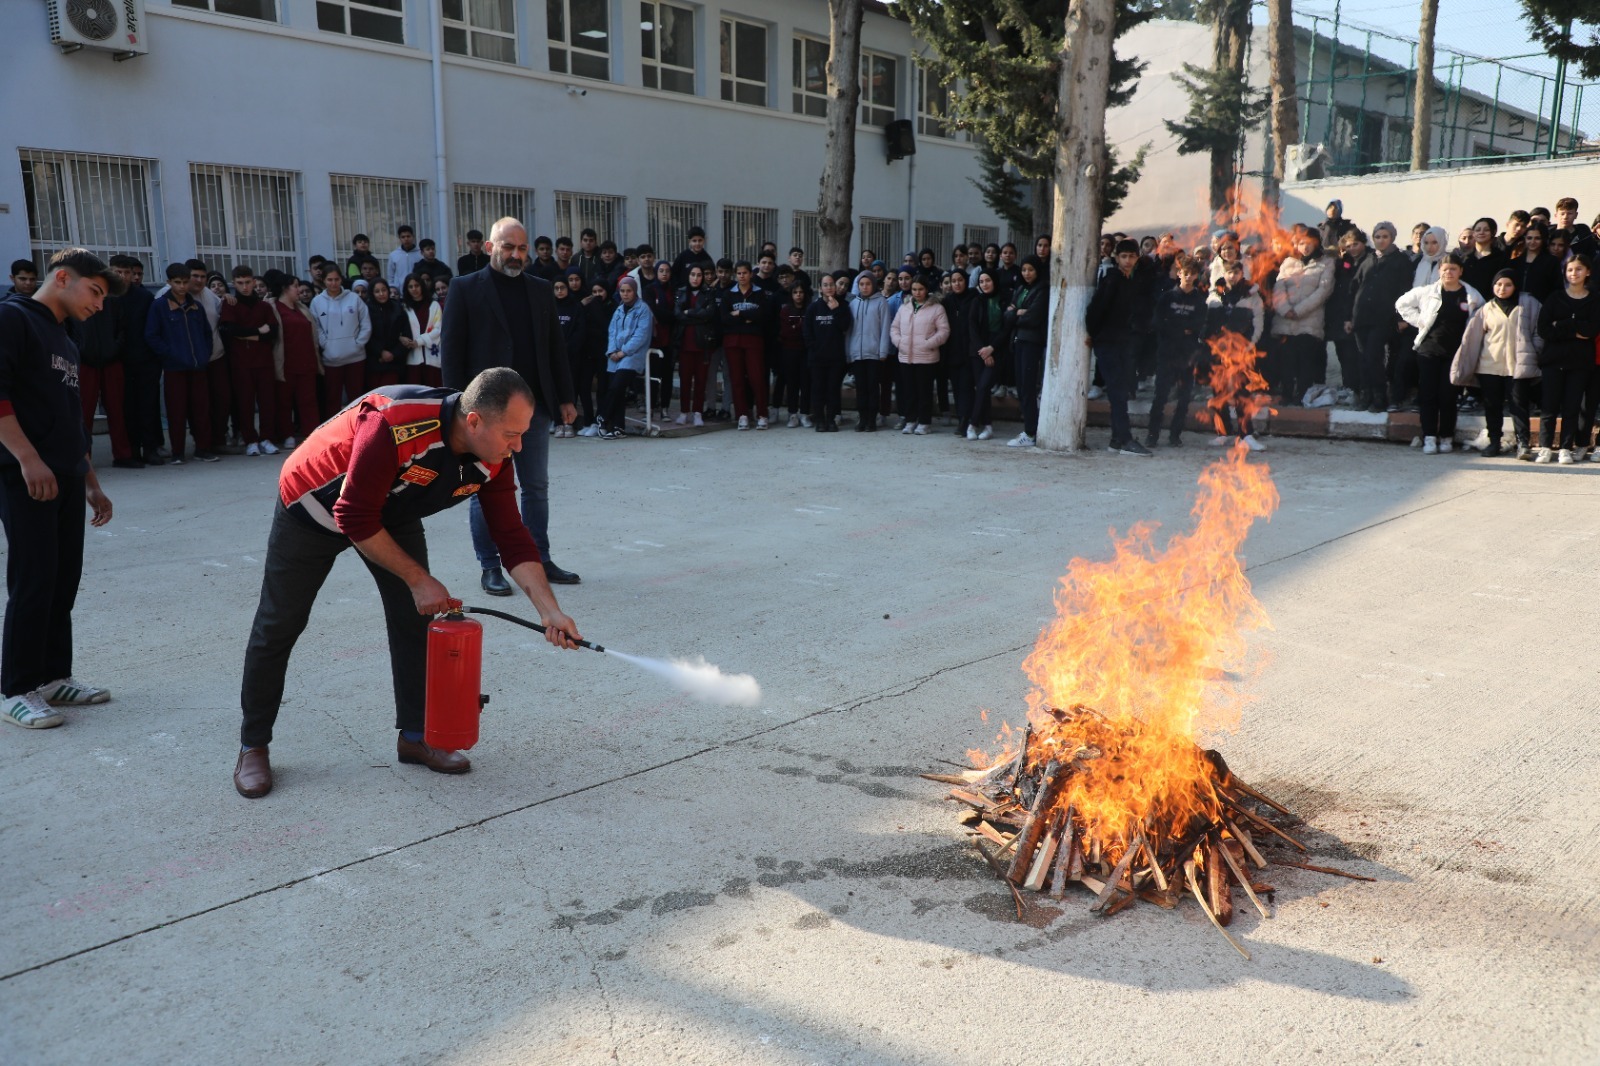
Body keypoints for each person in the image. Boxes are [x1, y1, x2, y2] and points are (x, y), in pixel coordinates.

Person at [231, 369, 583, 798]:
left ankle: (417, 736)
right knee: (279, 623)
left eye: (523, 433)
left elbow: (511, 536)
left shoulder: (493, 455)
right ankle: (254, 744)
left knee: (417, 620)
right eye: (512, 434)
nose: (519, 446)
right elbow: (353, 516)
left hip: (390, 510)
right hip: (314, 506)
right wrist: (419, 579)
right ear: (473, 422)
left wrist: (549, 610)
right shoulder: (395, 424)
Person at [0, 248, 121, 728]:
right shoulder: (13, 318)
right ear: (64, 277)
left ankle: (51, 677)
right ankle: (14, 688)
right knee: (33, 578)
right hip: (25, 473)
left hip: (67, 474)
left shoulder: (66, 339)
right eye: (95, 291)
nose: (99, 304)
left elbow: (72, 419)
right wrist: (28, 459)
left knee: (62, 576)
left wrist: (91, 481)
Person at [440, 217, 580, 592]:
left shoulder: (540, 289)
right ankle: (490, 566)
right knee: (484, 486)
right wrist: (454, 408)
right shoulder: (465, 288)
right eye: (508, 247)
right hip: (484, 416)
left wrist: (566, 397)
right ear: (490, 248)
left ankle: (539, 559)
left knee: (536, 486)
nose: (516, 255)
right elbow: (452, 352)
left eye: (522, 249)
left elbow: (555, 349)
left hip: (534, 410)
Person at [1396, 253, 1483, 455]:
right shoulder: (1428, 292)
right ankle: (1429, 436)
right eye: (1445, 269)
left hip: (1456, 353)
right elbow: (1401, 304)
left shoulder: (1471, 294)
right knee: (1428, 395)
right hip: (1429, 350)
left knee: (1448, 396)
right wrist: (1420, 322)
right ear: (1439, 272)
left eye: (1453, 269)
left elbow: (1481, 314)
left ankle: (1446, 436)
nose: (1449, 273)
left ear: (1460, 270)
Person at [1450, 269, 1542, 459]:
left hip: (1518, 365)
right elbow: (1472, 339)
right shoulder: (1485, 309)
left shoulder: (1529, 305)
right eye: (1498, 284)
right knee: (1492, 406)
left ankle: (1523, 444)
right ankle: (1494, 442)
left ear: (1515, 286)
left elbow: (1539, 331)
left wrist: (1535, 351)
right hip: (1489, 366)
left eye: (1507, 284)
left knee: (1519, 405)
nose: (1502, 288)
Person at [145, 261, 218, 463]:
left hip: (198, 366)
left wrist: (204, 354)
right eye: (177, 282)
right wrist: (170, 355)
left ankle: (203, 449)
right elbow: (152, 336)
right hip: (174, 368)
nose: (182, 286)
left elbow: (206, 334)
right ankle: (177, 452)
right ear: (169, 282)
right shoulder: (159, 306)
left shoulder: (197, 306)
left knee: (201, 409)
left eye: (185, 282)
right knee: (176, 412)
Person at [1086, 240, 1150, 456]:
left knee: (1120, 391)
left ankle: (1117, 439)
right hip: (1108, 342)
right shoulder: (1112, 279)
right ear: (1116, 257)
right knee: (1117, 391)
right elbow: (1096, 308)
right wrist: (1094, 335)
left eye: (1132, 256)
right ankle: (1124, 439)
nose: (1128, 260)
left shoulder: (1131, 280)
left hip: (1122, 342)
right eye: (1124, 256)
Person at [1534, 254, 1600, 464]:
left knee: (1572, 407)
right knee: (1549, 406)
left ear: (1587, 272)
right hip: (1553, 360)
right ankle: (1545, 446)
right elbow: (1544, 329)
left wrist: (1561, 325)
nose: (1574, 273)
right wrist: (1574, 327)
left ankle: (1565, 447)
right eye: (1570, 269)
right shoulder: (1555, 298)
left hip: (1580, 362)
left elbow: (1591, 330)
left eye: (1579, 269)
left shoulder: (1594, 299)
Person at [1349, 222, 1415, 413]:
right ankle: (1366, 395)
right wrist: (1349, 317)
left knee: (1373, 357)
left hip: (1384, 318)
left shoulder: (1401, 261)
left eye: (1385, 236)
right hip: (1361, 317)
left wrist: (1401, 318)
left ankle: (1380, 397)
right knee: (1362, 358)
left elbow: (1405, 291)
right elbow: (1355, 287)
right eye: (1377, 237)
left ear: (1392, 238)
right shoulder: (1368, 259)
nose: (1381, 240)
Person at [1203, 258, 1267, 451]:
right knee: (1218, 392)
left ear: (1242, 273)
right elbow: (1206, 324)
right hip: (1218, 352)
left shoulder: (1252, 295)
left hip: (1241, 353)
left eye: (1236, 272)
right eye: (1229, 272)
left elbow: (1258, 322)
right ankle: (1223, 433)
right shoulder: (1214, 295)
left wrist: (1250, 345)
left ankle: (1245, 434)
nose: (1232, 276)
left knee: (1242, 393)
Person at [1269, 228, 1335, 406]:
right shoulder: (1288, 262)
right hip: (1285, 320)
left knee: (1306, 360)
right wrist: (1285, 309)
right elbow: (1278, 288)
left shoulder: (1326, 263)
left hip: (1309, 320)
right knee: (1286, 360)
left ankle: (1302, 394)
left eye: (1309, 243)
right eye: (1301, 243)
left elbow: (1323, 291)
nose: (1305, 247)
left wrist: (1298, 310)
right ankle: (1286, 392)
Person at [1146, 256, 1207, 448]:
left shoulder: (1199, 300)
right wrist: (1181, 329)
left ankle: (1175, 435)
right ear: (1179, 273)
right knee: (1160, 395)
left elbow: (1198, 325)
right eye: (1185, 273)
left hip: (1187, 355)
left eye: (1192, 274)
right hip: (1167, 352)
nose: (1188, 277)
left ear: (1197, 276)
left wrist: (1176, 326)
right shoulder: (1167, 297)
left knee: (1184, 397)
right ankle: (1152, 434)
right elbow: (1157, 322)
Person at [218, 265, 279, 456]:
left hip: (264, 361)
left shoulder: (264, 306)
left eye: (248, 282)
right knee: (245, 403)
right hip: (241, 363)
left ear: (254, 282)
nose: (245, 287)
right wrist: (257, 332)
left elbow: (273, 332)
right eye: (240, 283)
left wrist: (247, 335)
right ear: (234, 283)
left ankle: (266, 438)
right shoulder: (230, 304)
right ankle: (250, 440)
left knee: (267, 401)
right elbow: (230, 330)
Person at [110, 256, 164, 466]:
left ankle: (150, 448)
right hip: (117, 361)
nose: (124, 277)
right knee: (125, 408)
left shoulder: (144, 297)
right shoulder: (104, 296)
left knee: (148, 407)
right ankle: (130, 451)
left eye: (127, 272)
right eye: (119, 272)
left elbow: (152, 330)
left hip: (145, 361)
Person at [263, 271, 321, 450]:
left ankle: (312, 435)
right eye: (295, 286)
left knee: (308, 401)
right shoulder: (273, 307)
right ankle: (287, 434)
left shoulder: (303, 309)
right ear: (285, 288)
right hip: (285, 362)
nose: (299, 290)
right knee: (284, 401)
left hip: (307, 362)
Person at [890, 276, 950, 436]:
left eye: (921, 289)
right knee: (909, 391)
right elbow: (894, 328)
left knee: (924, 391)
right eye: (914, 289)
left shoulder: (936, 308)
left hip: (926, 357)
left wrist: (927, 343)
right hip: (905, 356)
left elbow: (944, 331)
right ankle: (910, 421)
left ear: (927, 289)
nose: (917, 293)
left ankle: (924, 422)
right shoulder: (904, 307)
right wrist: (900, 342)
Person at [718, 261, 772, 430]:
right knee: (737, 379)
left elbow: (763, 316)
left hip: (753, 340)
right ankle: (742, 415)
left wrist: (740, 313)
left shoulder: (759, 293)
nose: (742, 276)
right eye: (739, 273)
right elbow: (724, 318)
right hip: (732, 341)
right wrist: (748, 319)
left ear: (751, 274)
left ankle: (762, 414)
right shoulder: (728, 294)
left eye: (745, 273)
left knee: (757, 378)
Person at [597, 276, 652, 440]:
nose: (625, 294)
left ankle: (602, 416)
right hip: (615, 355)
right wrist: (612, 351)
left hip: (632, 356)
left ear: (635, 292)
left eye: (629, 291)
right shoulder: (619, 309)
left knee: (617, 386)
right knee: (616, 390)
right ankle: (618, 427)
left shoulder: (643, 310)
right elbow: (612, 331)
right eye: (622, 291)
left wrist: (623, 352)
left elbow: (640, 336)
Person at [310, 268, 371, 415]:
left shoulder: (354, 298)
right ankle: (335, 433)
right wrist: (327, 345)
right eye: (329, 280)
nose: (333, 283)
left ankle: (357, 429)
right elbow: (316, 327)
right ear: (324, 281)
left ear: (341, 280)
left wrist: (358, 344)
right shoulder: (317, 302)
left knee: (356, 398)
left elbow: (366, 323)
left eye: (336, 279)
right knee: (332, 399)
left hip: (355, 357)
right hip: (331, 359)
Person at [1003, 256, 1047, 446]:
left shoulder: (1042, 289)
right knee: (1021, 387)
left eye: (1030, 270)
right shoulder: (1021, 288)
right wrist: (1018, 312)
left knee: (1028, 387)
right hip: (1018, 340)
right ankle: (1029, 429)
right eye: (1024, 270)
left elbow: (1034, 318)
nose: (1027, 273)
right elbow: (1007, 314)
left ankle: (1031, 432)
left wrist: (1017, 313)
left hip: (1031, 342)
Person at [802, 273, 852, 432]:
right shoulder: (813, 307)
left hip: (836, 357)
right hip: (817, 358)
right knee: (818, 389)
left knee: (833, 389)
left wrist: (836, 310)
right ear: (820, 288)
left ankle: (831, 419)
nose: (829, 287)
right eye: (825, 285)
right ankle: (820, 420)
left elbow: (845, 326)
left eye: (831, 284)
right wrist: (814, 347)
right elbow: (807, 331)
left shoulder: (843, 305)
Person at [845, 272, 893, 432]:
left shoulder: (881, 302)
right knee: (861, 388)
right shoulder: (853, 304)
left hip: (874, 354)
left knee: (873, 387)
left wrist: (883, 352)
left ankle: (872, 419)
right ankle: (862, 418)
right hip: (857, 354)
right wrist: (849, 352)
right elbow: (849, 331)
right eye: (861, 284)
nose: (864, 287)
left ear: (873, 285)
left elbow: (885, 328)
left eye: (867, 284)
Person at [966, 269, 1009, 441]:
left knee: (984, 387)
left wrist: (992, 349)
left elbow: (1006, 329)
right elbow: (973, 328)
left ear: (995, 281)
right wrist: (983, 351)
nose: (984, 284)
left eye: (988, 280)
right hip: (978, 351)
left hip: (997, 349)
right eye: (981, 281)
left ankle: (972, 424)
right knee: (981, 389)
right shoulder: (976, 301)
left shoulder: (1004, 300)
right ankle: (988, 426)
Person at [673, 264, 718, 426]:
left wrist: (689, 312)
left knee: (701, 380)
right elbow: (678, 315)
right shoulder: (680, 292)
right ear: (688, 275)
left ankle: (698, 412)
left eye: (699, 275)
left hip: (703, 343)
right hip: (685, 344)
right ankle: (684, 412)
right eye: (693, 274)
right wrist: (697, 315)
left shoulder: (708, 293)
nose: (696, 278)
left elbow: (709, 314)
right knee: (685, 380)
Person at [940, 269, 974, 437]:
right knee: (957, 388)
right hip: (952, 352)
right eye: (954, 281)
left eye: (960, 280)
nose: (957, 284)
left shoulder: (973, 298)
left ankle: (966, 421)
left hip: (969, 351)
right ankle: (962, 418)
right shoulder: (947, 301)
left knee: (966, 387)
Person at [364, 278, 410, 389]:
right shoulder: (366, 309)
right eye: (377, 291)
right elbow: (365, 334)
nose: (381, 294)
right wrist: (380, 352)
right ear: (372, 293)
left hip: (394, 362)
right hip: (373, 361)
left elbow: (406, 334)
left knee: (388, 397)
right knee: (375, 398)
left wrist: (393, 354)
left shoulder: (398, 308)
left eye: (384, 290)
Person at [776, 282, 811, 427]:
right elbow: (786, 332)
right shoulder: (785, 310)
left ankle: (804, 414)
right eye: (795, 292)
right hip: (789, 351)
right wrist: (800, 325)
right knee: (792, 383)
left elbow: (808, 332)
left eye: (801, 292)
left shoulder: (809, 309)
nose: (798, 295)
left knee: (806, 383)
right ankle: (792, 414)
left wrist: (796, 326)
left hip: (806, 351)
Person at [399, 273, 442, 387]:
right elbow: (398, 328)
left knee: (434, 389)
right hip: (412, 356)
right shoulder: (403, 307)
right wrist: (401, 338)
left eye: (416, 285)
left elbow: (438, 329)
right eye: (410, 286)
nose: (414, 289)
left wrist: (419, 341)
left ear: (422, 286)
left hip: (432, 355)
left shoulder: (434, 305)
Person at [1516, 222, 1562, 303]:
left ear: (1543, 239)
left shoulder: (1551, 262)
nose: (1532, 242)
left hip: (1541, 305)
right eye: (1529, 238)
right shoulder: (1516, 261)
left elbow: (1557, 288)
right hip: (1516, 305)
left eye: (1537, 238)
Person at [386, 225, 423, 290]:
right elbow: (390, 276)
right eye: (403, 237)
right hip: (399, 292)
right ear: (399, 238)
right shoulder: (394, 255)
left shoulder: (420, 254)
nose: (406, 239)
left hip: (416, 290)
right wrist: (392, 288)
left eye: (408, 236)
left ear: (413, 237)